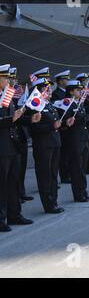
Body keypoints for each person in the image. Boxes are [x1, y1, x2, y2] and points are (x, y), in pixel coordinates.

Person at [0, 64, 34, 232]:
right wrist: (11, 119)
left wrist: (30, 119)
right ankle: (1, 219)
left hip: (12, 146)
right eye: (5, 77)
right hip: (2, 147)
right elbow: (7, 120)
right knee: (2, 184)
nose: (8, 81)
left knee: (13, 182)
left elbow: (15, 119)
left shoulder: (7, 95)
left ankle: (14, 214)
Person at [27, 78, 65, 213]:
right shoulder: (34, 105)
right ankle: (48, 204)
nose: (48, 90)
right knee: (45, 176)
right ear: (39, 90)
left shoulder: (48, 104)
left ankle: (54, 201)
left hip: (54, 143)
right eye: (45, 88)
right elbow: (33, 129)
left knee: (54, 174)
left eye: (49, 88)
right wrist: (51, 126)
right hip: (43, 145)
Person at [63, 80, 89, 202]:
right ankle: (78, 194)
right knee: (77, 168)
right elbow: (67, 122)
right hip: (75, 140)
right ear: (71, 91)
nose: (81, 92)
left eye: (81, 89)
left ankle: (83, 191)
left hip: (83, 138)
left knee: (83, 168)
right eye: (78, 90)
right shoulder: (67, 104)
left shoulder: (79, 103)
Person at [9, 67, 34, 203]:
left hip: (21, 135)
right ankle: (16, 195)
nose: (14, 80)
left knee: (21, 167)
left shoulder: (16, 94)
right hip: (11, 137)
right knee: (13, 170)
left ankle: (21, 191)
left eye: (14, 78)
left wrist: (29, 118)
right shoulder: (6, 97)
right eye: (11, 78)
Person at [52, 70, 71, 184]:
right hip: (61, 126)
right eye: (65, 79)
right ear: (59, 81)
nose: (67, 81)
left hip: (68, 125)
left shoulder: (67, 93)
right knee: (63, 153)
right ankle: (64, 175)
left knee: (68, 152)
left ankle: (68, 173)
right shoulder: (56, 94)